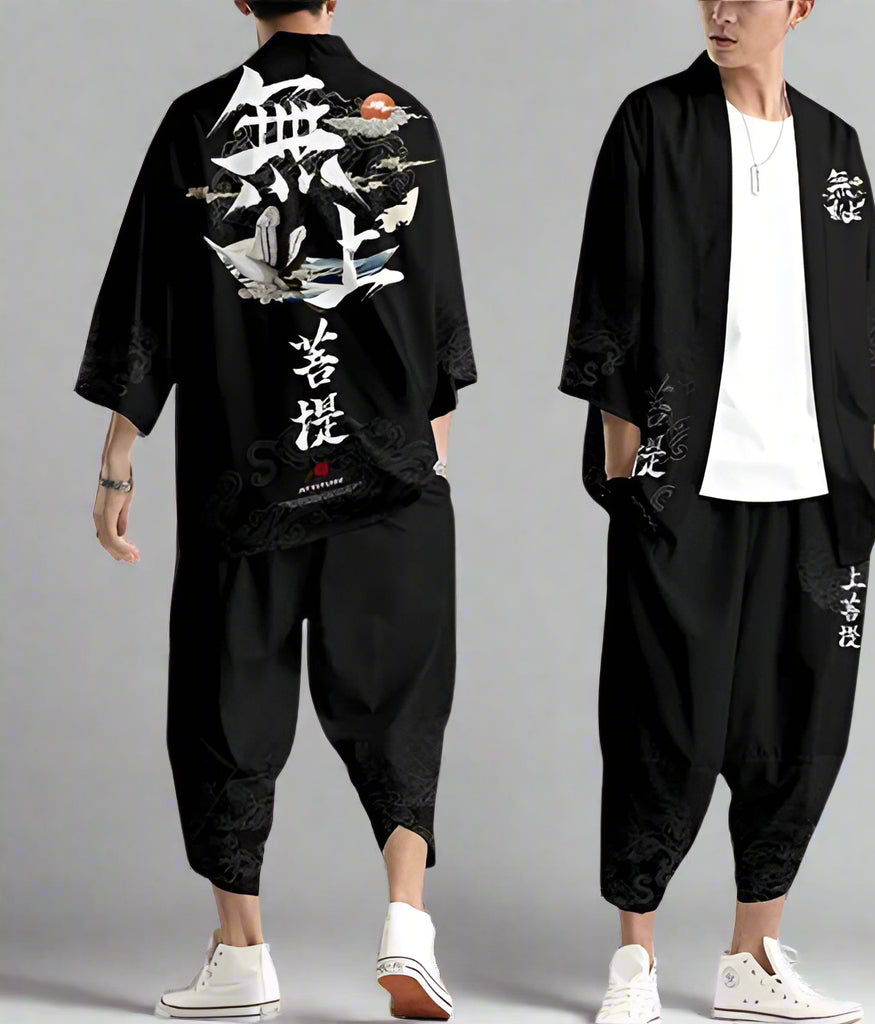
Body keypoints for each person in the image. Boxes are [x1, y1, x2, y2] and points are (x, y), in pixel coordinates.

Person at [73, 1, 476, 1018]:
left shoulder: (198, 123)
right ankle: (407, 922)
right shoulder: (403, 119)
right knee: (400, 699)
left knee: (226, 700)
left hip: (245, 479)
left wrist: (119, 459)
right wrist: (431, 443)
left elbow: (150, 297)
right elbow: (434, 307)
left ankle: (242, 955)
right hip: (384, 467)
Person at [558, 3, 875, 1022]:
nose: (721, 12)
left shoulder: (835, 148)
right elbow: (610, 290)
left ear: (799, 6)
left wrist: (866, 469)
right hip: (685, 486)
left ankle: (751, 956)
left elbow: (867, 316)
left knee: (802, 718)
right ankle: (635, 958)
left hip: (816, 494)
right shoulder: (652, 123)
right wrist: (628, 470)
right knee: (657, 715)